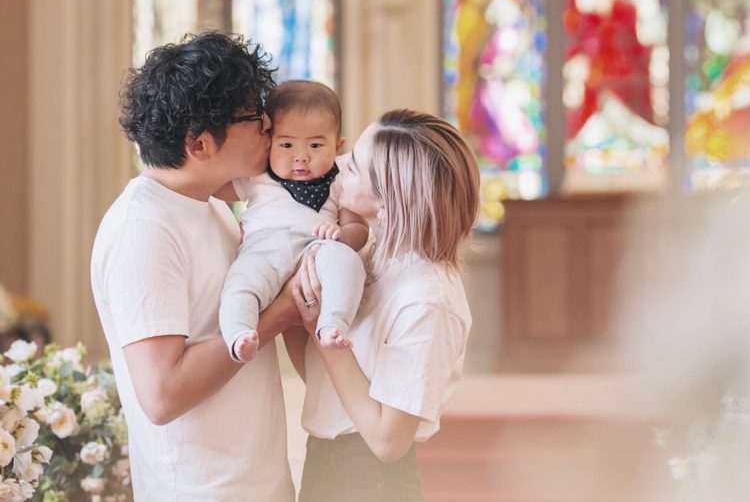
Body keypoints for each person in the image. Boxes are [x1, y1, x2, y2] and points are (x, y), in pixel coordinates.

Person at [91, 32, 299, 502]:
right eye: (255, 120)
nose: (270, 129)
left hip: (255, 484)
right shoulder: (142, 230)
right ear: (199, 144)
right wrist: (279, 315)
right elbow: (163, 393)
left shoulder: (209, 206)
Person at [286, 109, 480, 501]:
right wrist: (302, 312)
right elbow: (331, 381)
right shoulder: (373, 253)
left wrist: (319, 331)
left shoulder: (428, 300)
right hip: (325, 459)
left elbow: (388, 442)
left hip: (369, 479)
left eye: (354, 167)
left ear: (389, 203)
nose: (338, 163)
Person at [217, 80, 368, 362]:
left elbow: (358, 228)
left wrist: (342, 235)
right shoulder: (256, 175)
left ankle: (332, 324)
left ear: (337, 146)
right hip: (262, 251)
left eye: (315, 145)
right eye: (286, 144)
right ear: (268, 142)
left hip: (317, 250)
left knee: (348, 263)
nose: (300, 157)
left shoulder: (341, 180)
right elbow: (211, 183)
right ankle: (239, 333)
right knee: (241, 282)